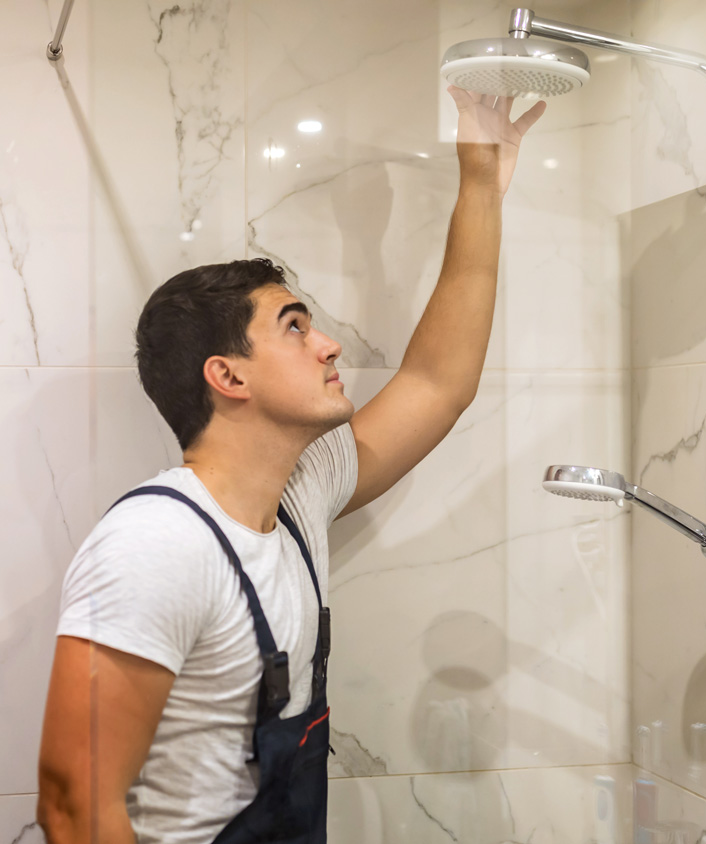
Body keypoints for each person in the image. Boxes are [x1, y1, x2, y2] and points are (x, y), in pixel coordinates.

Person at [36, 86, 548, 844]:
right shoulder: (154, 546)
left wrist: (480, 183)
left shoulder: (296, 504)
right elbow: (73, 808)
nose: (329, 343)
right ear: (228, 376)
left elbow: (438, 383)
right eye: (295, 326)